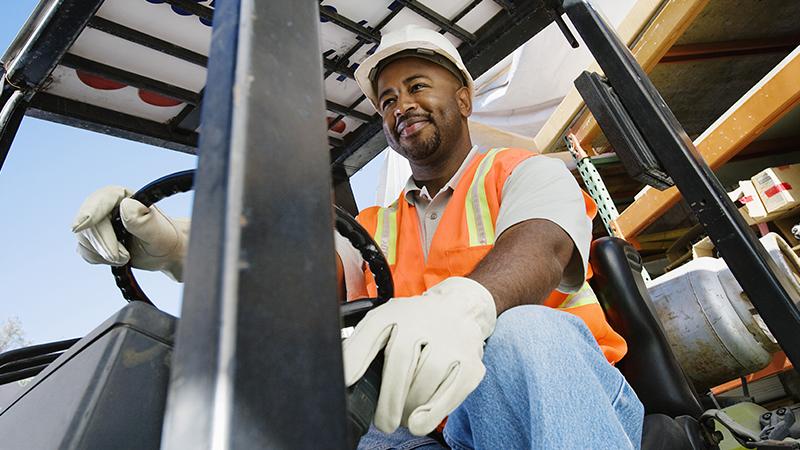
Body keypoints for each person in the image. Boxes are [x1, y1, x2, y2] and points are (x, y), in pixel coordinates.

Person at [72, 25, 643, 449]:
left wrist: (467, 306)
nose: (402, 106)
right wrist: (175, 247)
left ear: (464, 99)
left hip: (561, 402)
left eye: (418, 86)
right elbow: (282, 267)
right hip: (432, 428)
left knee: (522, 335)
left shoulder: (524, 172)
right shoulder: (369, 227)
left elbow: (541, 246)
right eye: (388, 100)